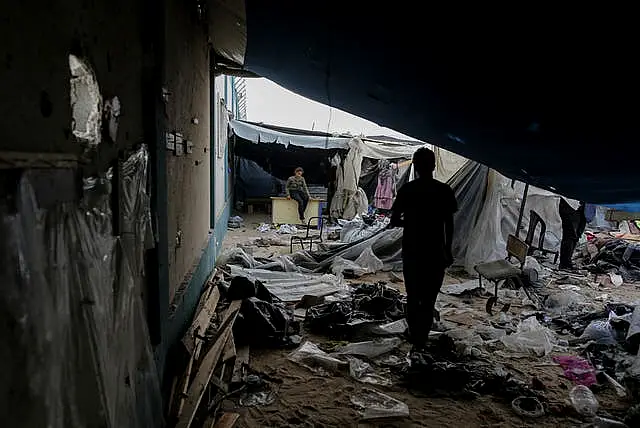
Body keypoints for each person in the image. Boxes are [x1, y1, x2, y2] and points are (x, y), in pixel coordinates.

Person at [390, 147, 457, 351]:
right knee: (429, 299)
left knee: (413, 295)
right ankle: (422, 339)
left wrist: (411, 223)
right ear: (434, 166)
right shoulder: (444, 191)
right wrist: (448, 250)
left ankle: (414, 335)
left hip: (412, 249)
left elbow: (394, 221)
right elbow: (450, 224)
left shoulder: (407, 191)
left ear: (415, 166)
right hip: (435, 251)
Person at [558, 199, 587, 270]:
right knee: (570, 235)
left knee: (577, 234)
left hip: (581, 206)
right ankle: (565, 263)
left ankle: (567, 261)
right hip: (571, 204)